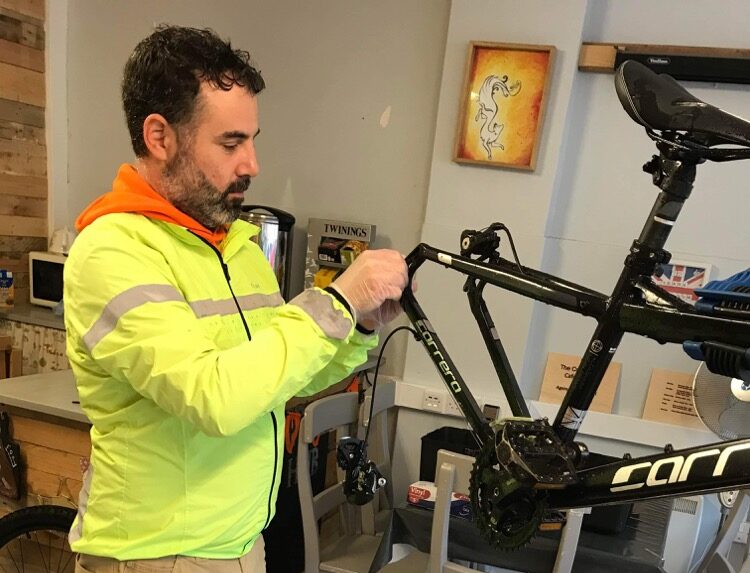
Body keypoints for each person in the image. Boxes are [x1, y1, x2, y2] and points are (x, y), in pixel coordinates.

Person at [63, 24, 408, 573]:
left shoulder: (236, 247)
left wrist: (357, 326)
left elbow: (277, 382)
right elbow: (214, 398)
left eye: (252, 139)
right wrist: (335, 304)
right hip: (159, 555)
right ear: (160, 137)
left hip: (241, 542)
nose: (252, 163)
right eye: (231, 142)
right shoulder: (113, 251)